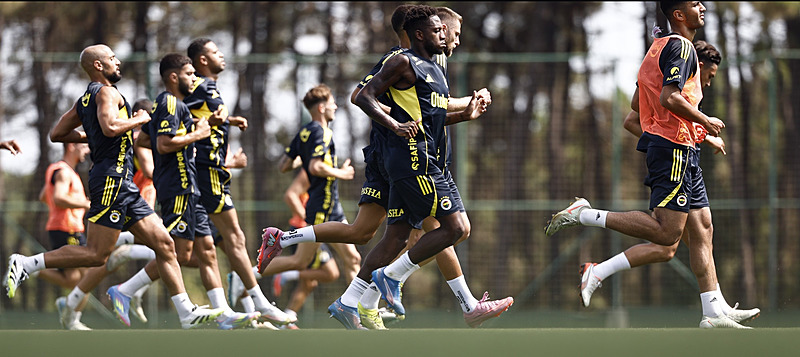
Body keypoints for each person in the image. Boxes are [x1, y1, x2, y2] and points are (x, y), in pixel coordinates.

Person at [544, 2, 750, 329]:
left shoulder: (657, 47)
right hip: (673, 151)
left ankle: (713, 312)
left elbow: (636, 107)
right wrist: (704, 121)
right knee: (667, 232)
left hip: (679, 147)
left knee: (702, 226)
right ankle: (584, 214)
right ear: (678, 14)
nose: (703, 7)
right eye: (695, 3)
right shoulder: (681, 47)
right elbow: (669, 98)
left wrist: (693, 133)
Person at [3, 44, 225, 329]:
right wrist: (137, 120)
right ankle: (26, 263)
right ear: (98, 65)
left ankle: (186, 313)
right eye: (111, 58)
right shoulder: (107, 92)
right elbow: (108, 127)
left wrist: (94, 136)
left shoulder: (85, 99)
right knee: (97, 254)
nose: (118, 62)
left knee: (165, 244)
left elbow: (57, 133)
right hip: (111, 179)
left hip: (123, 182)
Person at [578, 40, 760, 324]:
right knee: (668, 239)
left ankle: (717, 309)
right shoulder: (677, 73)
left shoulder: (672, 71)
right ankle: (589, 228)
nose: (708, 84)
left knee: (699, 232)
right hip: (671, 157)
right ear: (698, 66)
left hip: (684, 155)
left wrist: (700, 135)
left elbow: (665, 118)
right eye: (709, 76)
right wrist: (669, 139)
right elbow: (634, 118)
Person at [106, 53, 259, 330]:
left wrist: (213, 124)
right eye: (190, 74)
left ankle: (223, 312)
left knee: (208, 250)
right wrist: (198, 135)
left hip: (192, 187)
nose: (194, 79)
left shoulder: (180, 107)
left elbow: (145, 137)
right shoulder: (168, 102)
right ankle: (126, 290)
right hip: (176, 186)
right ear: (174, 77)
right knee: (178, 249)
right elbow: (164, 144)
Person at [183, 38, 293, 326]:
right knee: (234, 239)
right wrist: (222, 122)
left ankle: (236, 309)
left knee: (204, 246)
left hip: (211, 171)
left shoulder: (209, 88)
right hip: (207, 172)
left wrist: (228, 120)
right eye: (216, 52)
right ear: (203, 60)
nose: (222, 55)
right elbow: (180, 117)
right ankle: (260, 303)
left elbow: (202, 118)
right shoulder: (201, 86)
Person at [36, 142, 92, 330]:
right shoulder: (63, 172)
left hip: (64, 228)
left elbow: (45, 195)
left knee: (73, 280)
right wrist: (84, 204)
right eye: (83, 146)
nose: (87, 150)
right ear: (71, 146)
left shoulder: (59, 170)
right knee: (90, 274)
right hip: (68, 229)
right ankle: (72, 318)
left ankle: (31, 269)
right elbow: (58, 197)